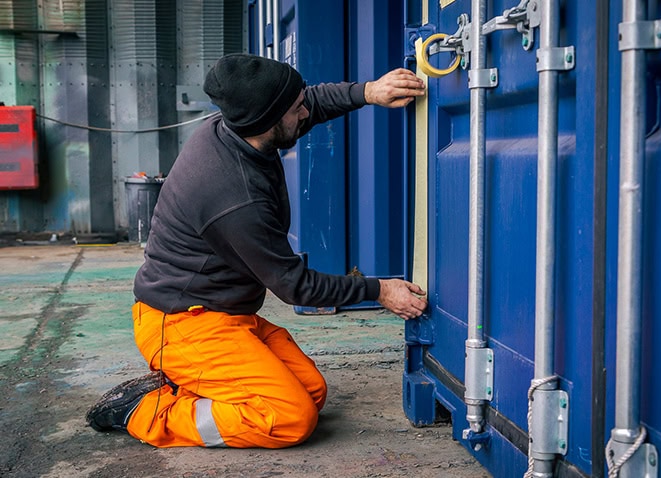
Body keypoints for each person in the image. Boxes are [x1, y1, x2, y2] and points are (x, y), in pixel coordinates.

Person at [86, 53, 428, 449]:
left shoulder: (238, 126)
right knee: (289, 417)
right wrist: (379, 290)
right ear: (268, 120)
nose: (306, 110)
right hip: (183, 324)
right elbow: (294, 286)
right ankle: (147, 410)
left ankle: (194, 384)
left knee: (312, 392)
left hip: (225, 313)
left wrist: (368, 92)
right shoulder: (234, 196)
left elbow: (308, 103)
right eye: (296, 107)